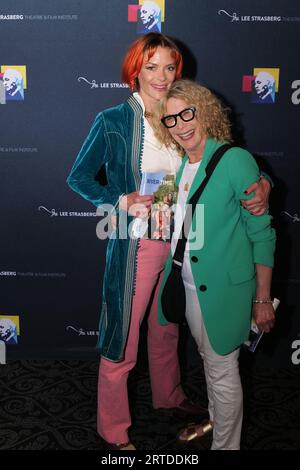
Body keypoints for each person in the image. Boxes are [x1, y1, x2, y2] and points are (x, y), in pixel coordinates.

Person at [67, 33, 271, 451]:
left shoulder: (183, 115)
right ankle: (113, 430)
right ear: (135, 70)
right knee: (122, 339)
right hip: (137, 246)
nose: (161, 76)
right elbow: (79, 177)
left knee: (166, 329)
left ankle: (169, 397)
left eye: (169, 67)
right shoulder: (113, 121)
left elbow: (224, 164)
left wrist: (263, 183)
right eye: (152, 66)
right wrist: (119, 198)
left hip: (186, 245)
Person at [155, 79, 276, 450]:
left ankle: (226, 445)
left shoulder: (233, 158)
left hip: (226, 290)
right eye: (171, 119)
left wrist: (262, 299)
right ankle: (217, 422)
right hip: (189, 287)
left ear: (204, 110)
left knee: (222, 372)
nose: (181, 125)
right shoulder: (179, 164)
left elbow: (263, 235)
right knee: (210, 364)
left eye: (187, 113)